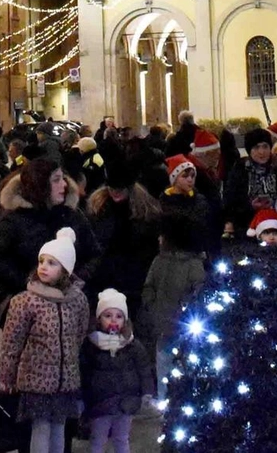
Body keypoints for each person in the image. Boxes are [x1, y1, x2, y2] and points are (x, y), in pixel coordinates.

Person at [0, 228, 91, 453]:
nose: (44, 267)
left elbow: (80, 333)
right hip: (36, 380)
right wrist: (7, 375)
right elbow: (12, 341)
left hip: (65, 379)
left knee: (59, 427)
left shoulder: (77, 300)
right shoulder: (26, 301)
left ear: (65, 270)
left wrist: (70, 362)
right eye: (42, 261)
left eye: (52, 263)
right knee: (40, 428)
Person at [0, 160, 100, 319]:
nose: (64, 184)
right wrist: (30, 283)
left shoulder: (72, 215)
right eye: (56, 180)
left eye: (63, 178)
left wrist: (74, 280)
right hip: (29, 312)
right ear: (40, 184)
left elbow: (94, 254)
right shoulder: (15, 219)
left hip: (71, 307)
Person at [80, 159, 161, 329]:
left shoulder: (146, 214)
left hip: (132, 281)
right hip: (101, 279)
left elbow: (148, 250)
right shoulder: (97, 210)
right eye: (112, 188)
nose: (115, 192)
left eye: (120, 189)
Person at [141, 215, 206, 401]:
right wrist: (152, 306)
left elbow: (198, 292)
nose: (159, 239)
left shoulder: (193, 264)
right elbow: (149, 287)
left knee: (183, 368)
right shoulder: (159, 261)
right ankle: (165, 403)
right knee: (163, 366)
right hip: (162, 325)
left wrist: (184, 310)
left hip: (184, 328)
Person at [80, 289, 152, 453]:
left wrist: (147, 391)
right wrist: (81, 397)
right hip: (100, 402)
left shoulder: (132, 345)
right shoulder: (91, 344)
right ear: (99, 319)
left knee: (121, 438)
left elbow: (144, 369)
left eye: (118, 316)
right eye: (108, 315)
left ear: (125, 320)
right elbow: (84, 371)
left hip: (126, 402)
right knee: (98, 439)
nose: (114, 320)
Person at [222, 128, 277, 240]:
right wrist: (250, 206)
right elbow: (229, 204)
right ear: (249, 150)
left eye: (265, 146)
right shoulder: (239, 171)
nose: (261, 152)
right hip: (246, 230)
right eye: (256, 147)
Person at [158, 155, 217, 257]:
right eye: (185, 176)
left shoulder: (199, 201)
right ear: (174, 179)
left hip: (193, 254)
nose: (190, 180)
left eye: (193, 176)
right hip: (171, 256)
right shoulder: (164, 201)